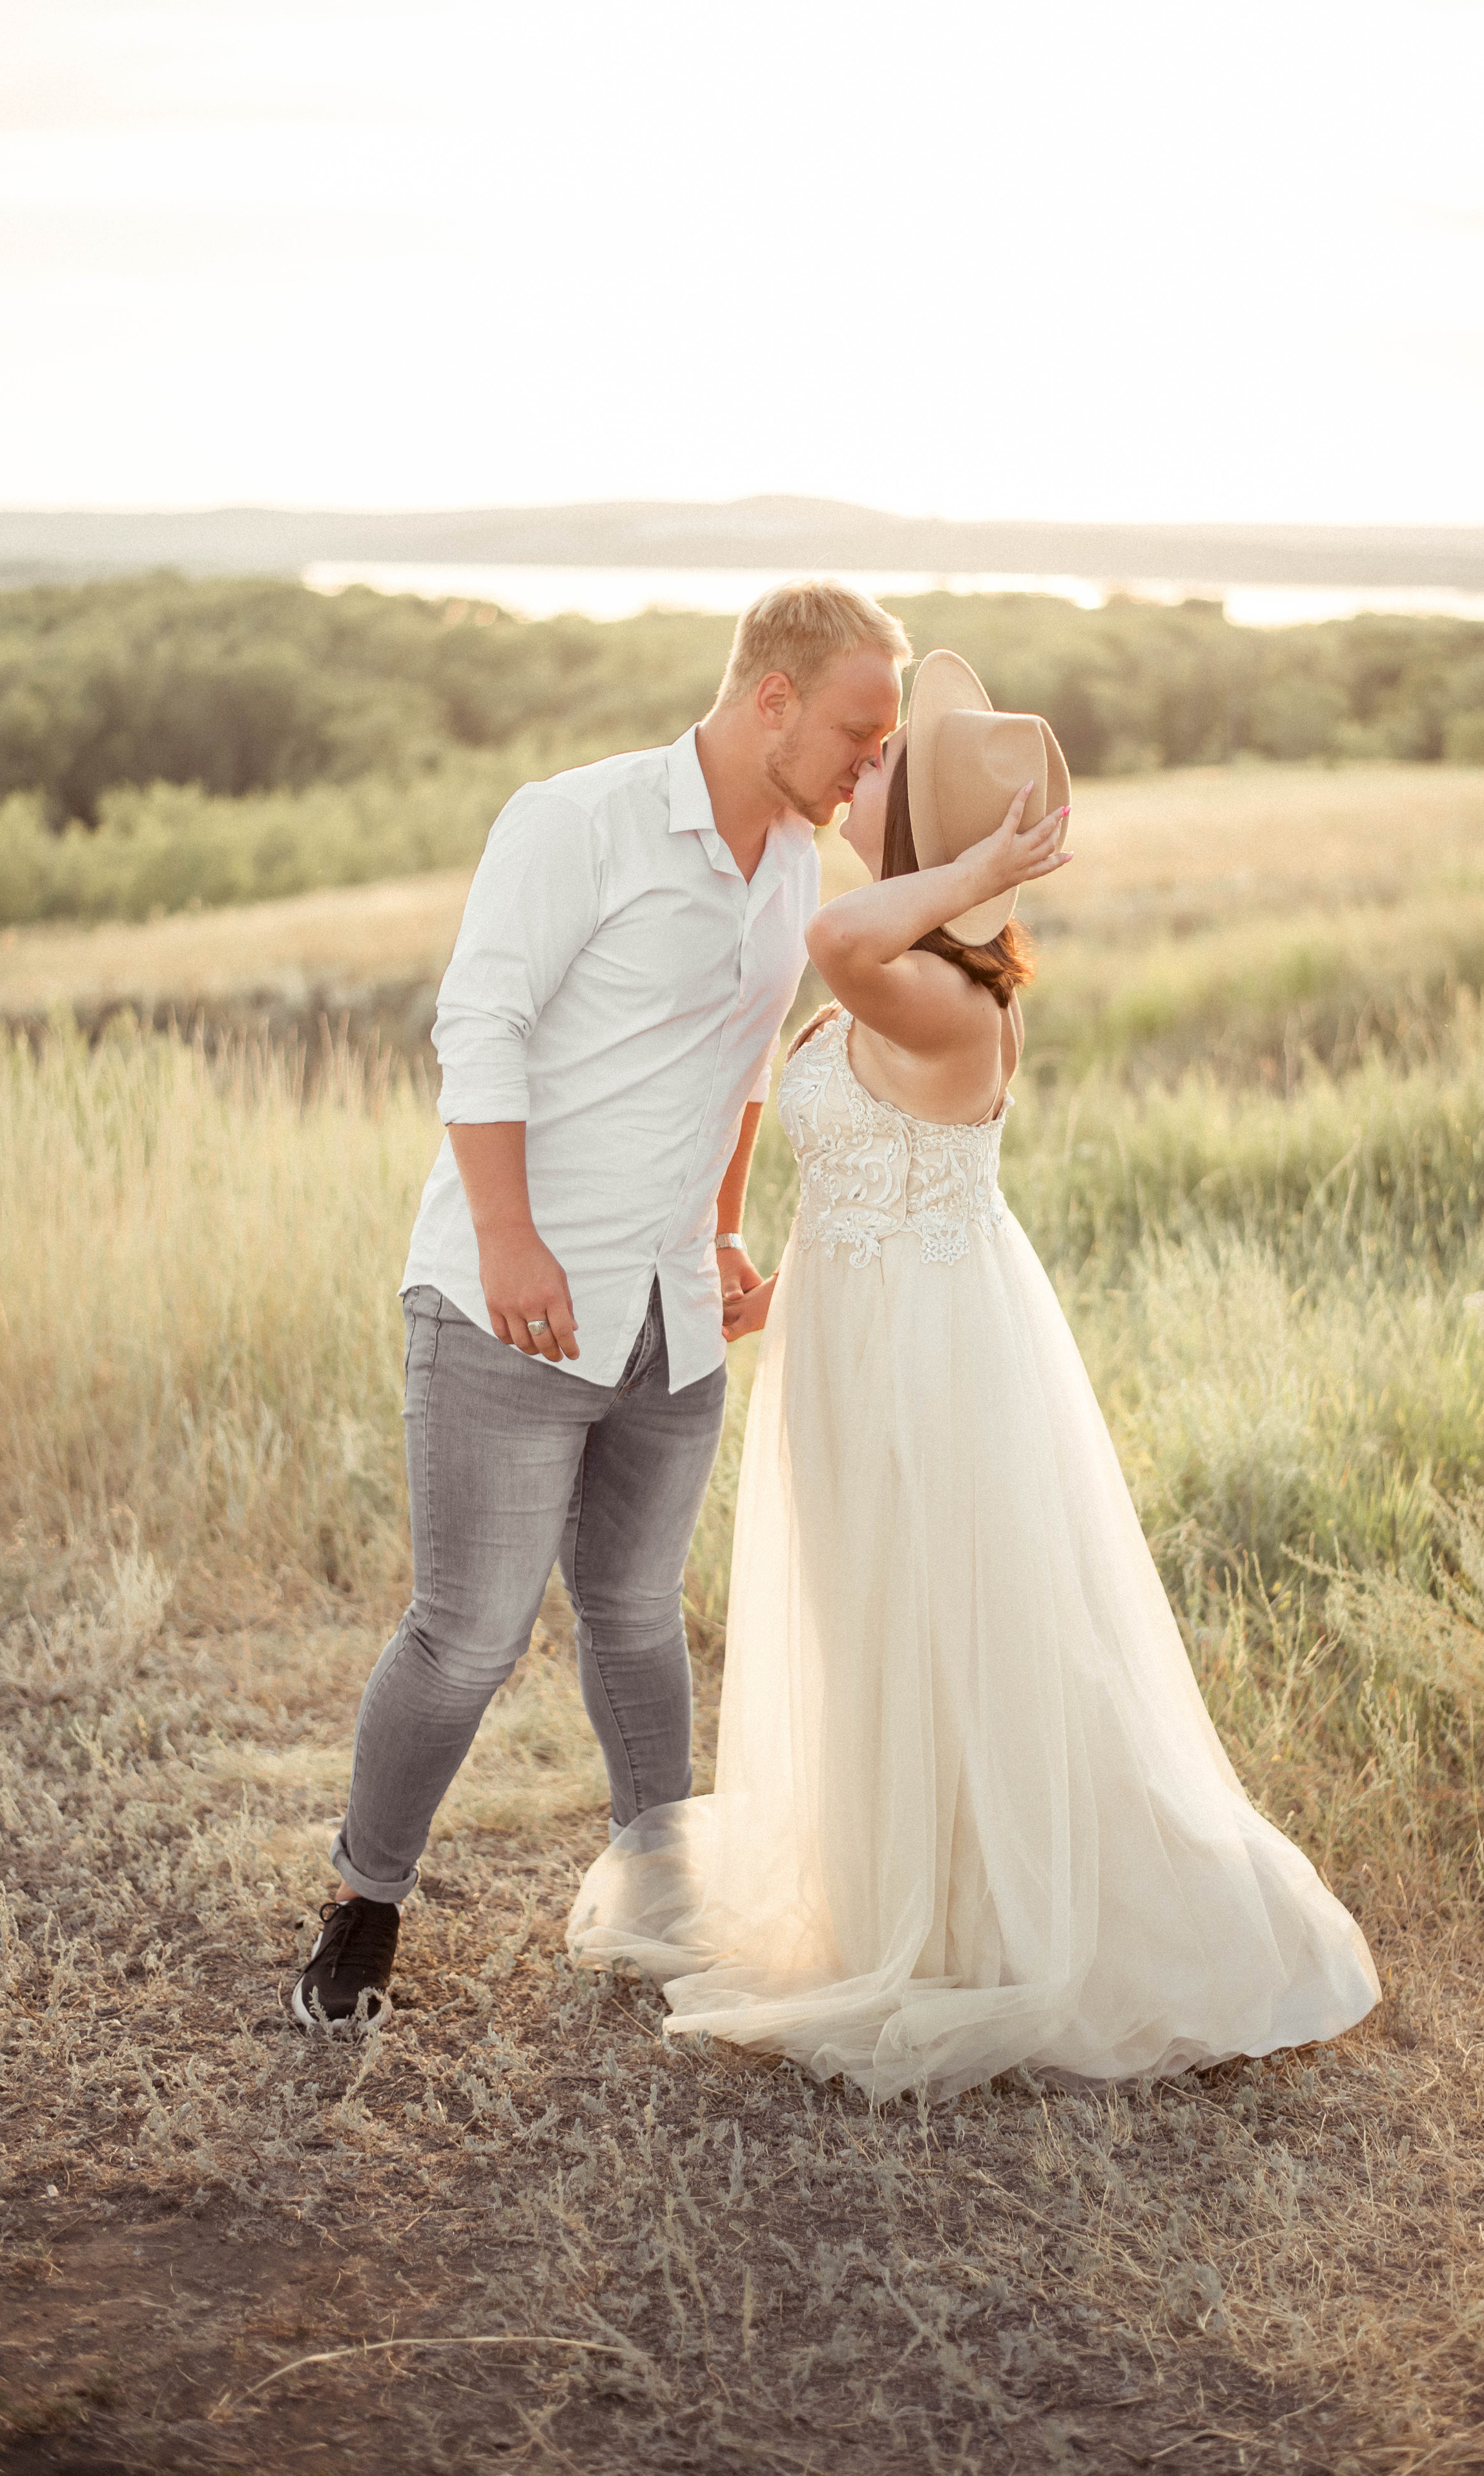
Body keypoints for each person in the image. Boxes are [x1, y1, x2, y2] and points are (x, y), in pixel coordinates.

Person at [567, 650, 1380, 2098]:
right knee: (876, 1608)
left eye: (882, 767)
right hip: (856, 1330)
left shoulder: (938, 996)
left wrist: (967, 865)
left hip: (925, 1352)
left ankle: (984, 1915)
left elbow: (827, 944)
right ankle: (901, 1885)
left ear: (916, 843)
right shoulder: (907, 973)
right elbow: (798, 1054)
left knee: (945, 1607)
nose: (857, 765)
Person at [291, 581, 910, 2029]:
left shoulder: (793, 867)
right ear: (770, 696)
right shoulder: (577, 821)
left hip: (671, 1320)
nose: (867, 769)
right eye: (855, 735)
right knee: (468, 1635)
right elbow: (479, 1022)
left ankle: (665, 1901)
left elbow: (741, 1064)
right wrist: (506, 1238)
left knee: (633, 1614)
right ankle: (361, 1906)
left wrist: (719, 1228)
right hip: (512, 1306)